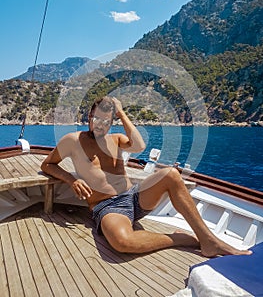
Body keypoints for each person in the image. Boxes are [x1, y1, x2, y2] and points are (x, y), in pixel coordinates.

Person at [41, 96, 252, 257]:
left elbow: (139, 145)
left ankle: (208, 240)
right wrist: (72, 179)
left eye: (106, 120)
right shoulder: (72, 140)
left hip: (133, 196)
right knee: (123, 242)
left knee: (170, 174)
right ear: (88, 117)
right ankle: (177, 239)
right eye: (96, 118)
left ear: (112, 121)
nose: (100, 124)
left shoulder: (116, 139)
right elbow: (48, 164)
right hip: (108, 207)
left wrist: (122, 114)